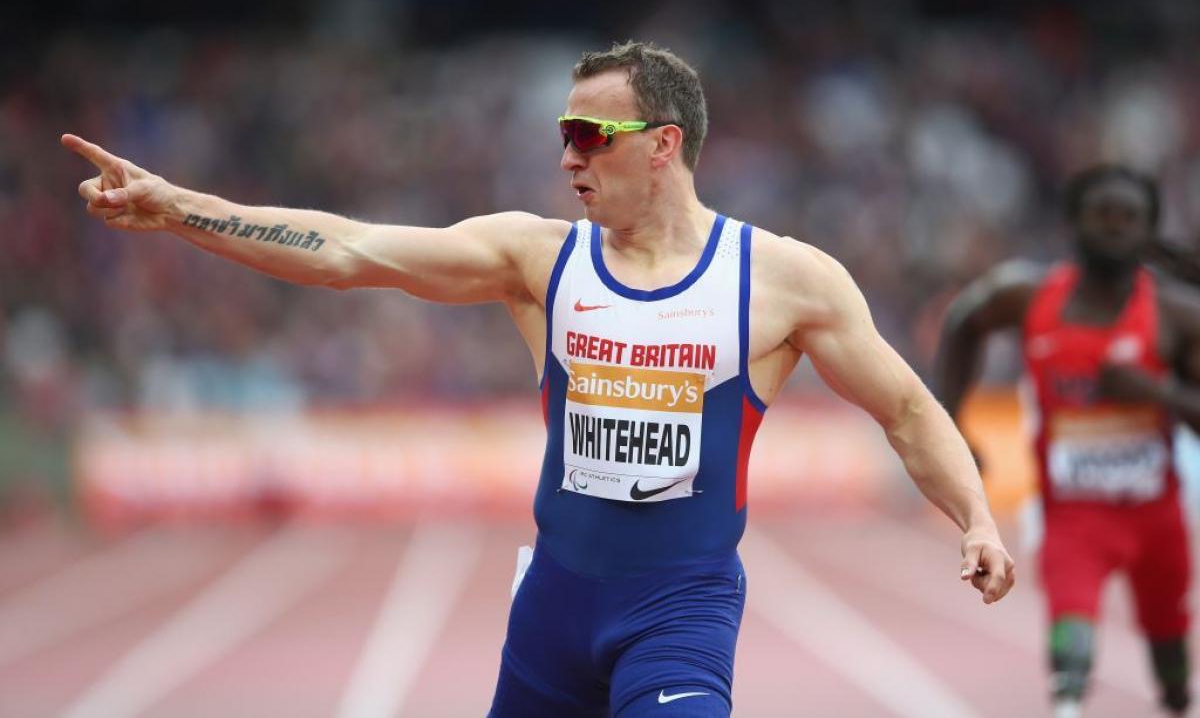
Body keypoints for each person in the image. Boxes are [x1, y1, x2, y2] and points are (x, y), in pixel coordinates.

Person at [66, 41, 1014, 717]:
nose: (567, 156)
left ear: (663, 143)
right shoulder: (537, 258)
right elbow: (348, 250)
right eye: (563, 134)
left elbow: (905, 409)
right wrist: (179, 208)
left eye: (589, 134)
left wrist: (973, 516)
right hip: (553, 609)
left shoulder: (781, 281)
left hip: (679, 609)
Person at [936, 164, 1200, 718]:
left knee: (1170, 650)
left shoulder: (1176, 315)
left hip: (1157, 516)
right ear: (1075, 222)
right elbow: (963, 321)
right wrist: (952, 420)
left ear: (1148, 229)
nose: (1115, 227)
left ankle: (1176, 697)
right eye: (1102, 214)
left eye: (1129, 217)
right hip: (1073, 515)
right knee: (1070, 650)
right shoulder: (1028, 295)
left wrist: (1156, 390)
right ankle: (1067, 702)